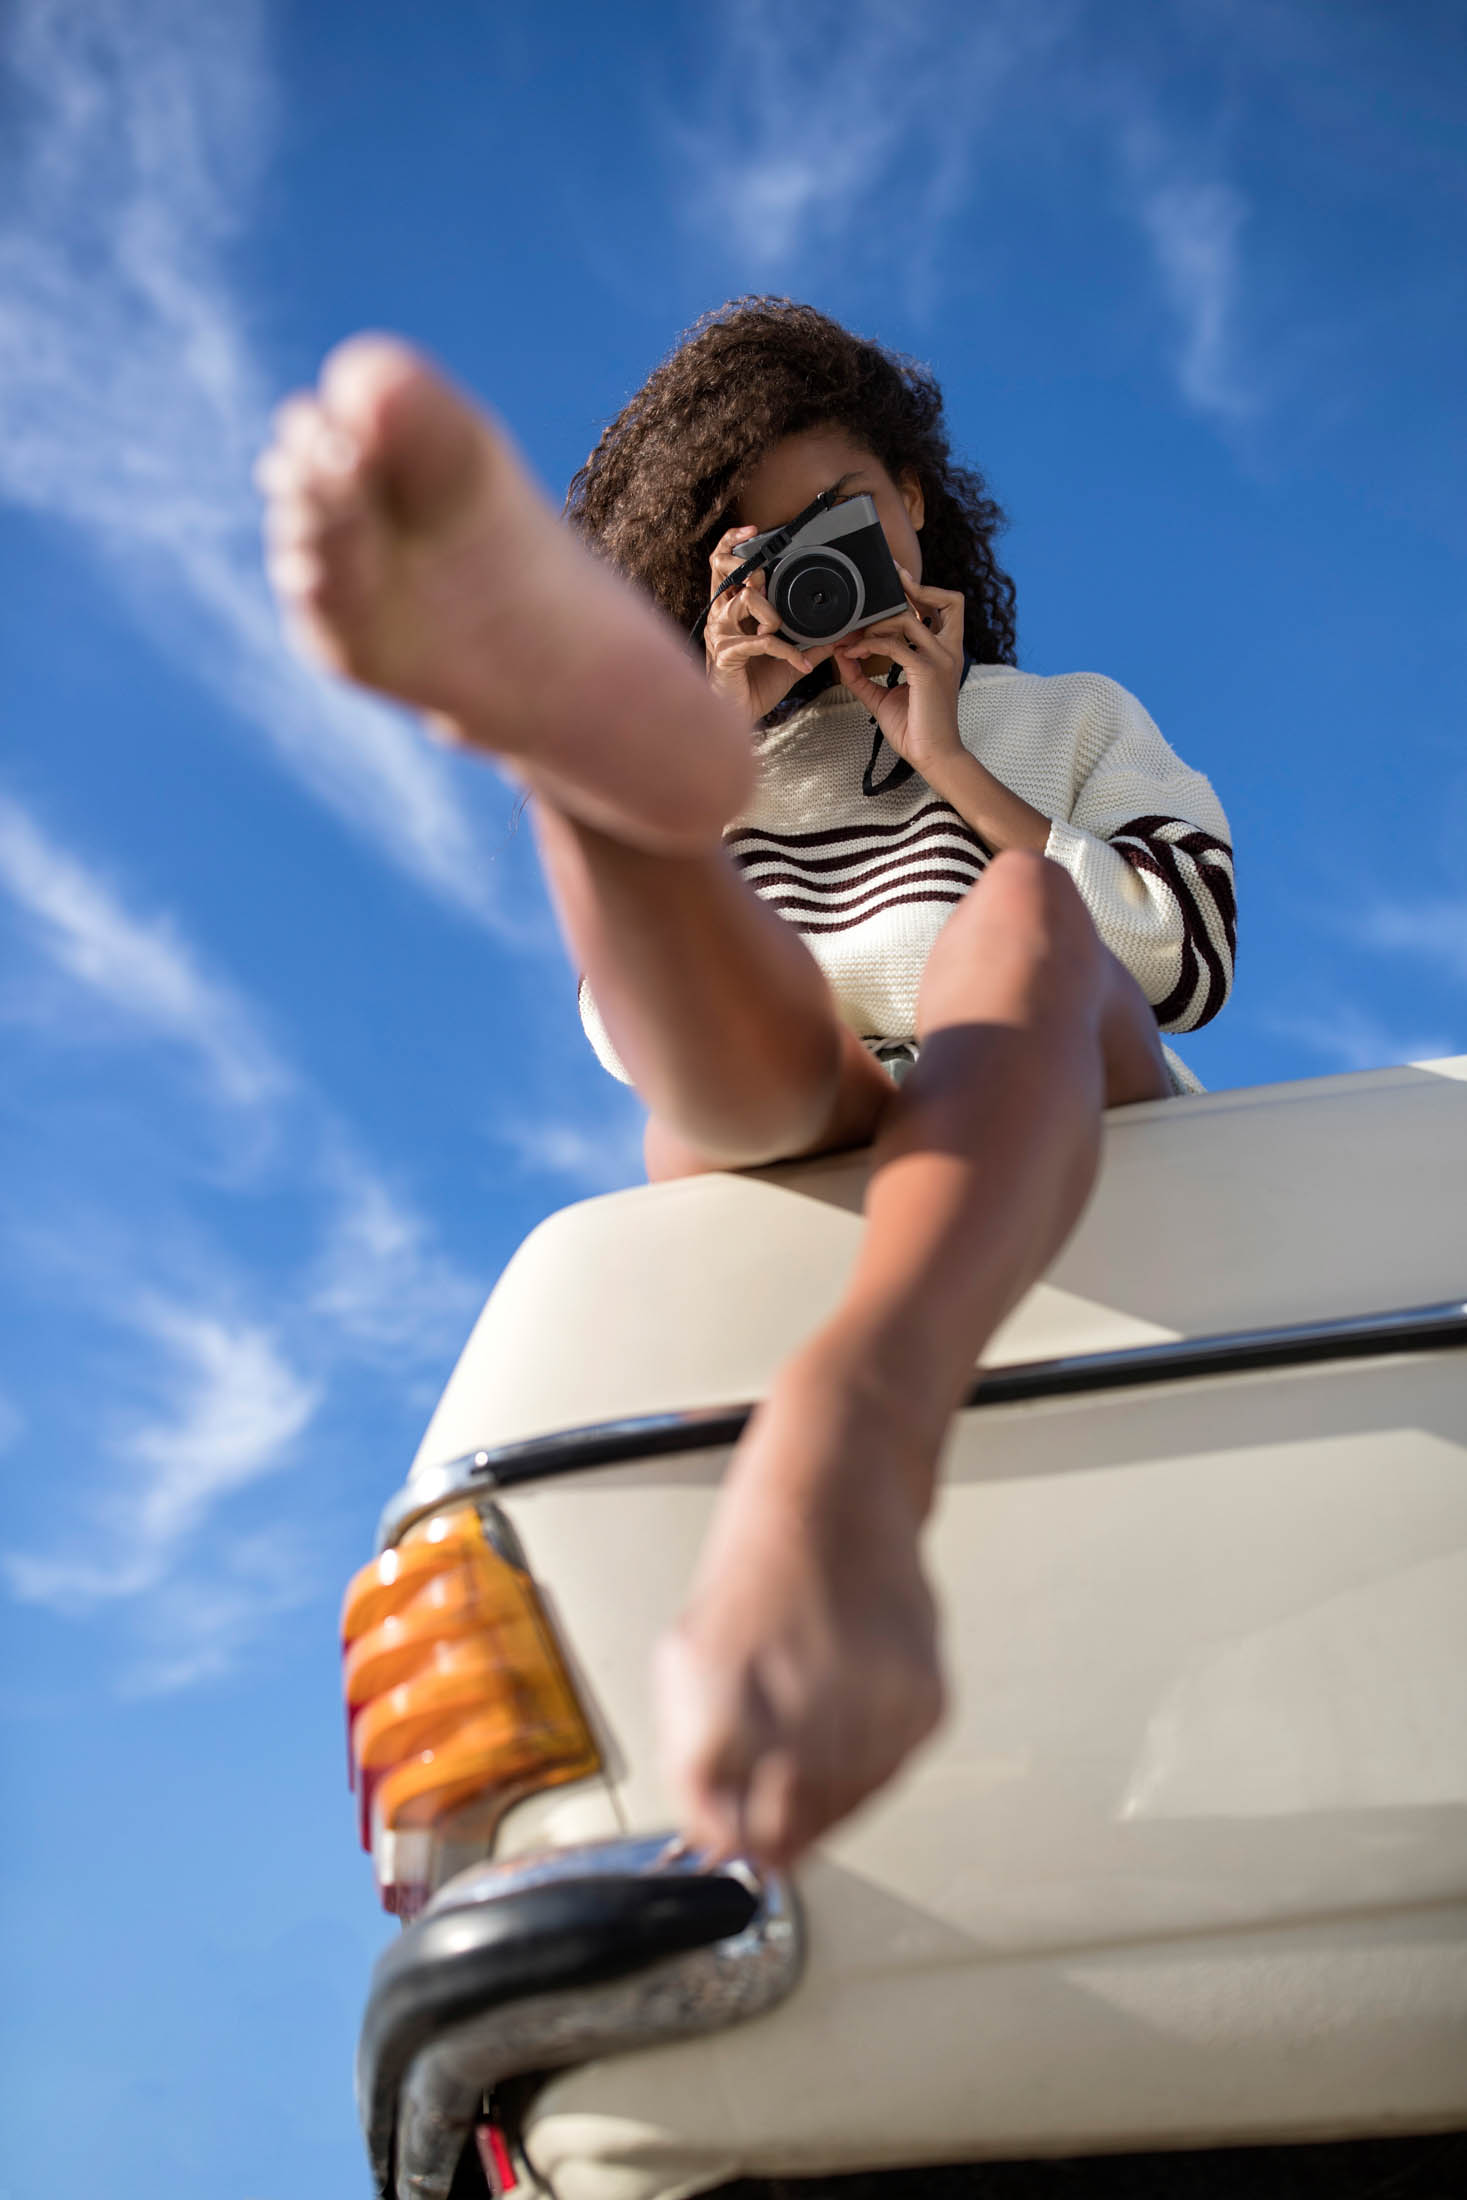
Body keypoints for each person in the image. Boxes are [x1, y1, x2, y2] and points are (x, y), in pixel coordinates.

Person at [257, 297, 1235, 1875]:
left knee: (1020, 923)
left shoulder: (1058, 722)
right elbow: (631, 1033)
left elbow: (1181, 954)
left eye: (834, 524)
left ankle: (854, 1414)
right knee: (727, 1082)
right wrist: (717, 731)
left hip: (1071, 1104)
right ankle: (594, 789)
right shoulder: (734, 763)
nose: (814, 573)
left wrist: (953, 766)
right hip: (810, 1131)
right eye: (757, 555)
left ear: (914, 497)